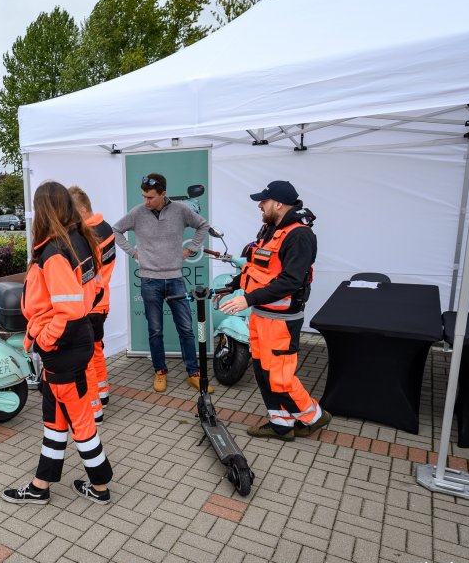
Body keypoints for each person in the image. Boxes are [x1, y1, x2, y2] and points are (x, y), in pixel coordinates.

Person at [2, 181, 113, 505]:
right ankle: (41, 484)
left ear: (45, 211)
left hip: (63, 349)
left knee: (80, 424)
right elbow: (95, 293)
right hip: (73, 345)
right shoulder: (79, 241)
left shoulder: (55, 253)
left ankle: (101, 486)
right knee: (55, 419)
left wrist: (44, 340)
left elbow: (69, 308)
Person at [218, 180, 331, 441]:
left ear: (278, 204)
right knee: (261, 371)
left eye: (264, 201)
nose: (260, 205)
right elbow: (259, 269)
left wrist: (247, 299)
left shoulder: (300, 235)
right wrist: (233, 286)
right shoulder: (270, 230)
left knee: (278, 376)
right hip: (261, 315)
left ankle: (313, 416)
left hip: (281, 320)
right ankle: (280, 424)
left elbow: (290, 281)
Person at [112, 173, 214, 394]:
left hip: (176, 279)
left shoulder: (180, 210)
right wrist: (134, 253)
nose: (146, 201)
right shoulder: (138, 213)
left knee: (186, 329)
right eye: (144, 196)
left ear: (163, 194)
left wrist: (192, 248)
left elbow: (203, 225)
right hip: (149, 280)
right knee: (155, 330)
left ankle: (193, 373)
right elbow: (116, 230)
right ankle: (160, 371)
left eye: (150, 197)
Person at [70, 185, 115, 422]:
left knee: (85, 356)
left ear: (82, 209)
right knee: (97, 348)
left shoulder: (86, 235)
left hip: (89, 303)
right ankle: (103, 390)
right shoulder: (105, 227)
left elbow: (84, 274)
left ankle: (94, 407)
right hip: (102, 302)